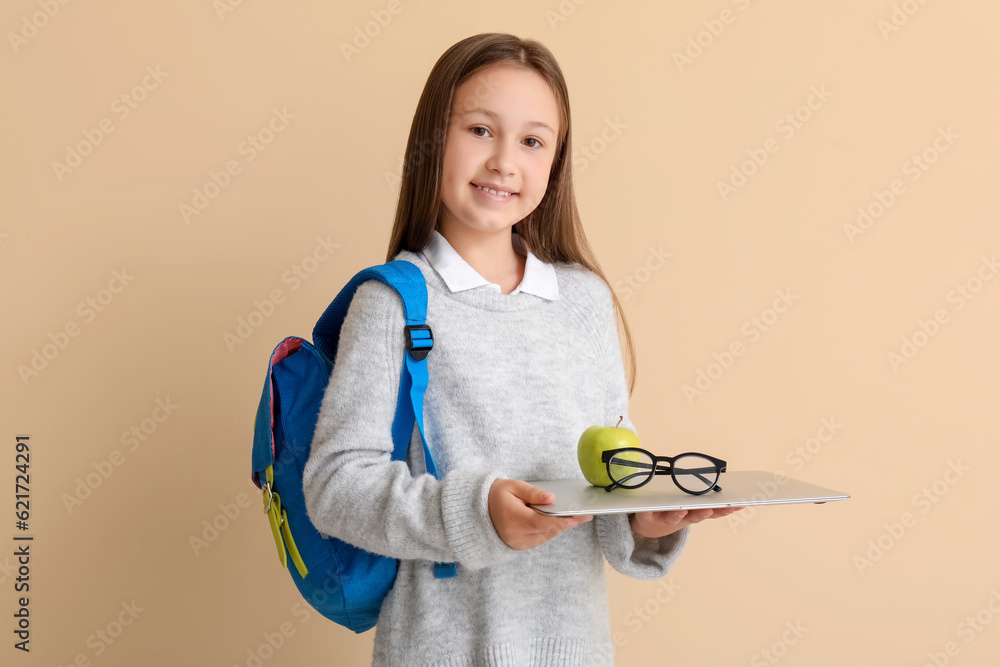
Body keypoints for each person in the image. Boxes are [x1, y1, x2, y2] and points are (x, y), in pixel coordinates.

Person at [302, 32, 738, 666]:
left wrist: (644, 519)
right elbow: (337, 486)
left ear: (555, 163)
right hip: (438, 651)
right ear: (432, 141)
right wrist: (477, 513)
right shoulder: (394, 302)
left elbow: (607, 473)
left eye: (533, 141)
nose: (506, 161)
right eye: (480, 130)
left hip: (574, 650)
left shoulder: (585, 303)